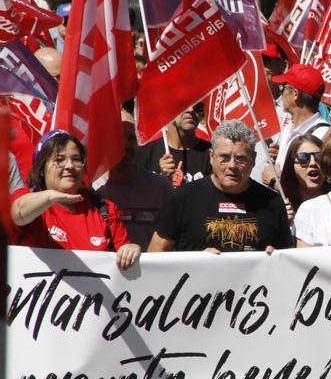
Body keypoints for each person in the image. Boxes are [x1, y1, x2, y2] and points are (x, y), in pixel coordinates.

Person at [148, 120, 292, 253]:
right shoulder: (182, 198)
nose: (232, 166)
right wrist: (195, 261)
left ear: (253, 159)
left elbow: (288, 262)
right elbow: (155, 256)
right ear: (211, 156)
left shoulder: (273, 203)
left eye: (241, 158)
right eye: (224, 157)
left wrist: (277, 258)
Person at [10, 130, 140, 269]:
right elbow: (18, 214)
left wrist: (131, 250)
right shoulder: (32, 206)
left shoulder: (105, 209)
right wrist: (50, 196)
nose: (70, 166)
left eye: (76, 159)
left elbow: (124, 258)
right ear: (42, 169)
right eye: (59, 160)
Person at [97, 111, 172, 251]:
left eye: (131, 138)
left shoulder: (161, 189)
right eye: (118, 137)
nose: (125, 144)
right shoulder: (93, 192)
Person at [135, 105, 212, 187]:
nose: (191, 110)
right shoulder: (144, 153)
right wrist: (161, 180)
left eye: (197, 106)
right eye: (184, 104)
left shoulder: (212, 154)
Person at [279, 134, 329, 217]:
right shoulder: (280, 205)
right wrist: (282, 222)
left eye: (319, 156)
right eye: (303, 158)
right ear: (291, 165)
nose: (313, 163)